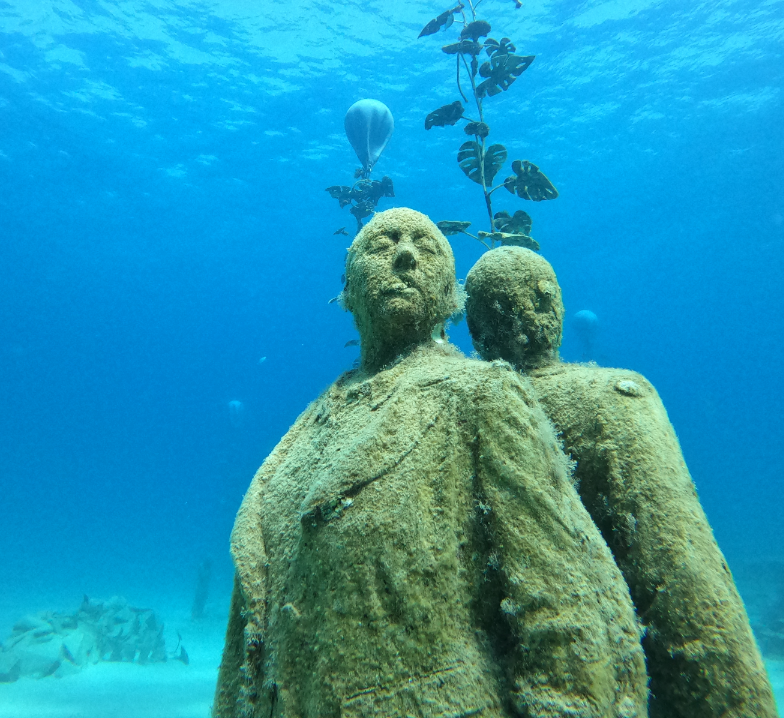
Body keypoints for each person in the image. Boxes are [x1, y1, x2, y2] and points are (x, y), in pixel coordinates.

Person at [214, 208, 649, 717]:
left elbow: (558, 598)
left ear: (451, 294)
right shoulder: (297, 440)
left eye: (425, 245)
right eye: (382, 245)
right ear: (348, 288)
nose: (403, 253)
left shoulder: (483, 395)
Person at [464, 247, 777, 718]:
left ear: (474, 325)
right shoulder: (616, 397)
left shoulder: (461, 415)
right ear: (554, 307)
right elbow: (680, 569)